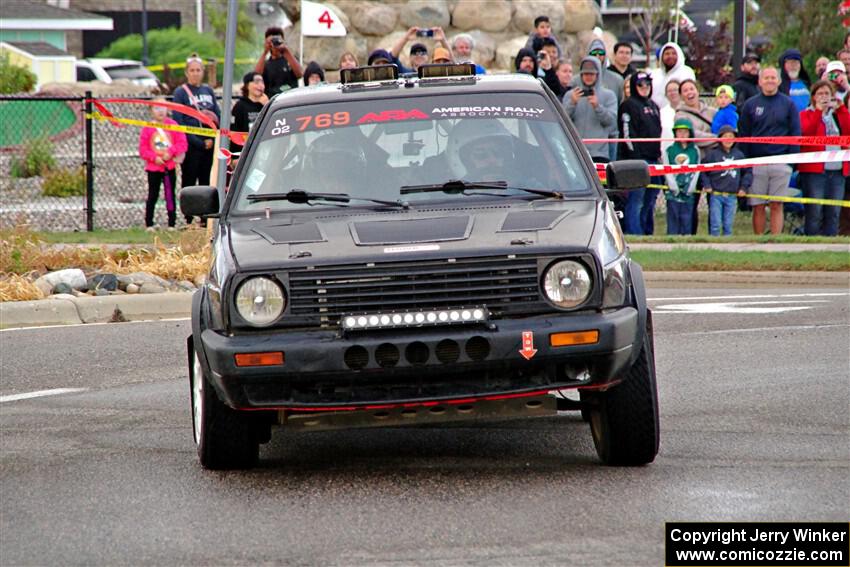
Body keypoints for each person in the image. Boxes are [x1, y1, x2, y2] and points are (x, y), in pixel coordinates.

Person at [738, 66, 801, 235]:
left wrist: (791, 163)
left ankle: (776, 241)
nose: (770, 81)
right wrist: (746, 164)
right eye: (766, 78)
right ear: (760, 81)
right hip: (756, 163)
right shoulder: (750, 105)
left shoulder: (788, 104)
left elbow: (795, 133)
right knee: (758, 206)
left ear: (779, 81)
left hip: (781, 163)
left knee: (776, 204)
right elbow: (743, 136)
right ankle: (759, 242)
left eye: (773, 78)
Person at [172, 53, 220, 226]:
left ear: (203, 72)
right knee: (189, 181)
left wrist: (213, 139)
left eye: (198, 70)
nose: (195, 73)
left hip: (209, 144)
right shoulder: (180, 93)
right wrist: (199, 142)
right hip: (192, 146)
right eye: (192, 70)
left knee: (206, 180)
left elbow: (218, 115)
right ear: (187, 72)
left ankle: (205, 217)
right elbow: (180, 122)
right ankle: (188, 218)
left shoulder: (208, 91)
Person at [798, 80, 850, 236]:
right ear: (813, 97)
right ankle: (812, 243)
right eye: (820, 93)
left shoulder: (837, 114)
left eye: (827, 93)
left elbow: (848, 131)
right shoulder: (805, 114)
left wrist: (841, 109)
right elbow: (807, 133)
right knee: (814, 211)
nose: (824, 97)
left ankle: (830, 243)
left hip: (838, 171)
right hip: (815, 171)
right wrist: (818, 113)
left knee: (833, 211)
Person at [617, 71, 662, 235]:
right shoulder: (628, 105)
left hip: (654, 160)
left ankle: (647, 232)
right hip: (638, 161)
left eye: (648, 84)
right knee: (637, 200)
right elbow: (627, 135)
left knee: (650, 199)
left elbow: (658, 133)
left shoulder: (653, 106)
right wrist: (636, 159)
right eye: (641, 85)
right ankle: (634, 233)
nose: (645, 88)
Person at [138, 100, 188, 230]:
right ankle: (149, 223)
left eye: (163, 107)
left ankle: (172, 223)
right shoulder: (148, 128)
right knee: (152, 195)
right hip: (153, 168)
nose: (160, 111)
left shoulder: (173, 125)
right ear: (151, 110)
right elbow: (143, 149)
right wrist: (154, 158)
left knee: (170, 195)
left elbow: (182, 143)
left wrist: (170, 153)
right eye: (156, 108)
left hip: (169, 167)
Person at [675, 78, 716, 234]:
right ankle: (689, 234)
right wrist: (716, 138)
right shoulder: (680, 115)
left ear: (697, 90)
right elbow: (692, 136)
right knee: (692, 202)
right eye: (685, 91)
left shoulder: (712, 112)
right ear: (681, 96)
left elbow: (726, 130)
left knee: (715, 201)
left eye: (691, 88)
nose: (689, 93)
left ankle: (715, 235)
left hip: (713, 163)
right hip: (693, 164)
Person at [564, 56, 618, 165]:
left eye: (592, 74)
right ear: (581, 75)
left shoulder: (609, 95)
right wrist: (572, 103)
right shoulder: (571, 95)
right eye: (585, 74)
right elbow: (562, 121)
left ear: (598, 75)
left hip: (599, 153)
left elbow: (611, 122)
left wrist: (598, 106)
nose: (588, 77)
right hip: (575, 151)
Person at [701, 125, 752, 236]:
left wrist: (743, 187)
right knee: (715, 224)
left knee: (728, 225)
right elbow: (703, 171)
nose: (728, 139)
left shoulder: (739, 155)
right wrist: (707, 185)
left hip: (732, 196)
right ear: (720, 138)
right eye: (725, 136)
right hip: (716, 194)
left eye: (731, 136)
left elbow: (747, 172)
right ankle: (714, 245)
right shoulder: (712, 154)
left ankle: (727, 246)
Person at [663, 118, 700, 235]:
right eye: (679, 131)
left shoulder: (695, 151)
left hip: (688, 191)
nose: (682, 134)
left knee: (686, 218)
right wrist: (673, 187)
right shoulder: (669, 150)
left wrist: (690, 188)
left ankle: (686, 241)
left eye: (685, 132)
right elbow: (666, 169)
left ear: (690, 133)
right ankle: (672, 240)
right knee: (673, 216)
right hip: (673, 191)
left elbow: (697, 170)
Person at [255, 26, 302, 97]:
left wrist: (285, 50)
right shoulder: (265, 64)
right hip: (273, 101)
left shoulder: (290, 59)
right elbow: (256, 76)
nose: (275, 42)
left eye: (277, 39)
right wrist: (265, 52)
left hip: (291, 98)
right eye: (272, 40)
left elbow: (300, 74)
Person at [231, 72, 269, 156]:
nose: (260, 85)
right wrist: (235, 156)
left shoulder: (267, 104)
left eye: (262, 82)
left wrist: (267, 105)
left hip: (264, 149)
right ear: (247, 85)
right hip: (245, 151)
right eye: (256, 82)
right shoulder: (240, 106)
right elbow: (234, 131)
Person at [650, 42, 695, 108]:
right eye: (667, 54)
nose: (670, 56)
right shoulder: (654, 74)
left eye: (673, 53)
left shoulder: (686, 72)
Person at [659, 79, 681, 153]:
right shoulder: (661, 113)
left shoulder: (688, 111)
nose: (673, 93)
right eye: (669, 91)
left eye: (675, 90)